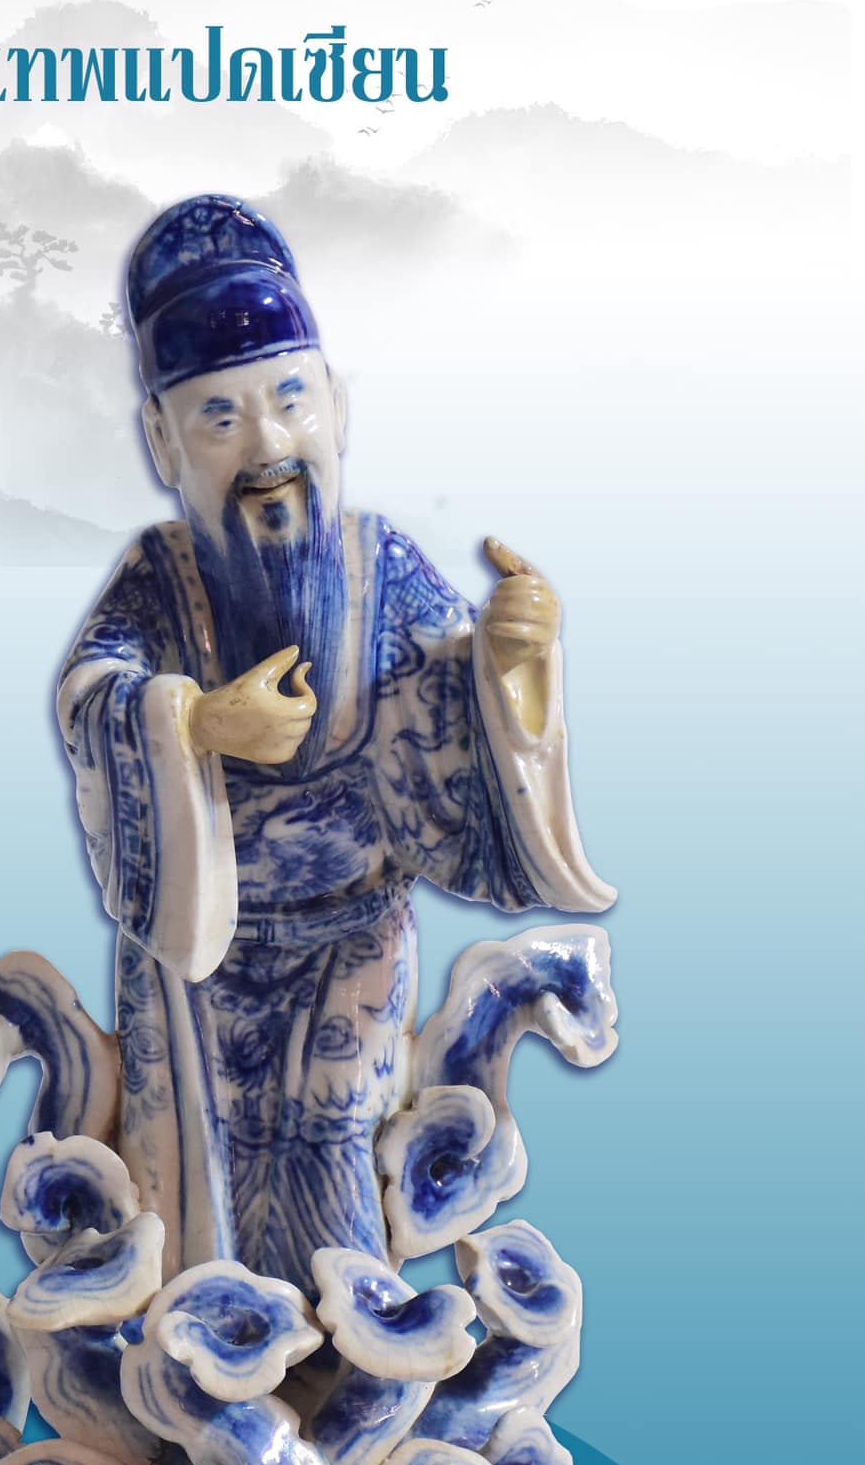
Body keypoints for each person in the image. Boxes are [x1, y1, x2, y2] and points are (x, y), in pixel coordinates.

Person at [57, 196, 613, 1295]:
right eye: (220, 418)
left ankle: (357, 1358)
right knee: (189, 1213)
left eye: (289, 400)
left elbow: (456, 709)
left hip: (355, 941)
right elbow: (92, 696)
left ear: (337, 408)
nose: (267, 447)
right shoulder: (156, 582)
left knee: (336, 1162)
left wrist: (511, 658)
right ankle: (207, 1377)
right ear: (163, 443)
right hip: (199, 964)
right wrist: (198, 724)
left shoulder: (382, 565)